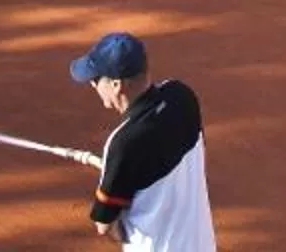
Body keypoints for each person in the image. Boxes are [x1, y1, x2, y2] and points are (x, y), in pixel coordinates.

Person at [69, 31, 215, 249]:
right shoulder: (182, 96)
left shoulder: (123, 143)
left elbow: (105, 224)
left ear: (117, 85)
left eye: (96, 79)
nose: (93, 85)